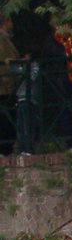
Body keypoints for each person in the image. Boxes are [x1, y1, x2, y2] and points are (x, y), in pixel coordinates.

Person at [0, 14, 18, 154]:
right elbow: (6, 61)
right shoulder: (2, 38)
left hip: (5, 86)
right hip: (4, 87)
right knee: (6, 118)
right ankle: (5, 148)